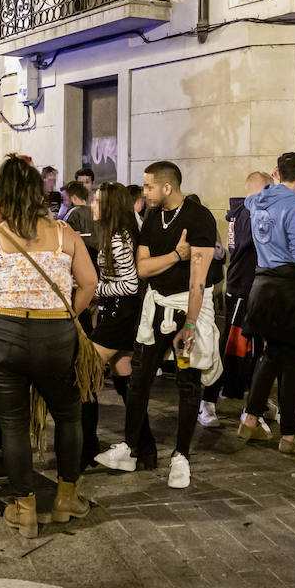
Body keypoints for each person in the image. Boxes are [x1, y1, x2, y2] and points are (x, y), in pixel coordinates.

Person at [0, 154, 98, 538]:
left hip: (3, 339)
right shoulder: (65, 235)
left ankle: (25, 510)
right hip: (56, 338)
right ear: (39, 194)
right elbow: (89, 282)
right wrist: (68, 313)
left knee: (13, 424)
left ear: (2, 195)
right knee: (68, 416)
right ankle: (66, 499)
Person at [96, 161, 219, 489]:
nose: (144, 191)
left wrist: (190, 325)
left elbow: (198, 279)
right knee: (139, 379)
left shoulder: (199, 218)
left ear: (167, 187)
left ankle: (181, 456)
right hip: (155, 306)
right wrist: (176, 256)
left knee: (187, 383)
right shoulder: (153, 217)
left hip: (187, 308)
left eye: (149, 186)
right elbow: (142, 268)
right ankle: (131, 447)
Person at [237, 153, 295, 454]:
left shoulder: (256, 200)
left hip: (262, 286)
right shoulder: (294, 206)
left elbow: (249, 202)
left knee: (280, 357)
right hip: (287, 290)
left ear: (277, 172)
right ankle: (282, 433)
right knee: (285, 357)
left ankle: (263, 423)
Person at [79, 181, 150, 470]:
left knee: (83, 374)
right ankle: (143, 448)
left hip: (119, 315)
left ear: (110, 206)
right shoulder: (117, 233)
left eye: (97, 201)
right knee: (124, 381)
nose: (92, 205)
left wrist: (95, 291)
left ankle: (86, 449)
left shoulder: (118, 238)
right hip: (119, 314)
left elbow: (130, 284)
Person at [199, 171, 267, 428]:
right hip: (242, 289)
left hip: (250, 287)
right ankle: (207, 401)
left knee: (256, 350)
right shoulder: (248, 214)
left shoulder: (244, 212)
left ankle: (255, 402)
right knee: (231, 348)